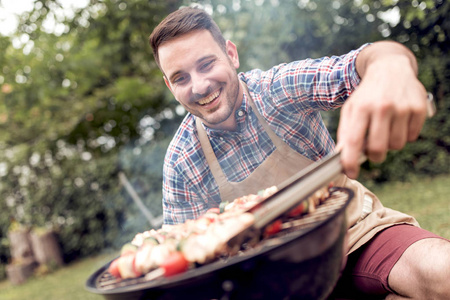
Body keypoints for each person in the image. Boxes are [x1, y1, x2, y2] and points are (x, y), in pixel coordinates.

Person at [149, 7, 450, 300]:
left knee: (441, 274)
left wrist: (389, 69)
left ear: (231, 54)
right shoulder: (181, 161)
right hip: (276, 284)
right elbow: (184, 263)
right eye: (180, 78)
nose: (200, 86)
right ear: (168, 85)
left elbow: (365, 61)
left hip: (355, 232)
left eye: (206, 64)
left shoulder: (276, 90)